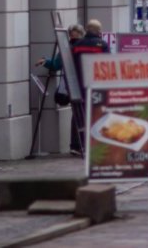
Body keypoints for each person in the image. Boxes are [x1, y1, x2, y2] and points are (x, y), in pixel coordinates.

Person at [38, 24, 84, 154]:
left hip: (70, 87)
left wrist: (45, 61)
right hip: (84, 86)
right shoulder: (85, 46)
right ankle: (79, 145)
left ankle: (76, 145)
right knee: (82, 115)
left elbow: (56, 65)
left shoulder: (66, 48)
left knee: (76, 115)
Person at [71, 19, 109, 153]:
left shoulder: (77, 45)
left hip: (78, 85)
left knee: (79, 114)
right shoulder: (102, 45)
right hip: (96, 85)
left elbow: (72, 66)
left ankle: (76, 145)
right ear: (98, 31)